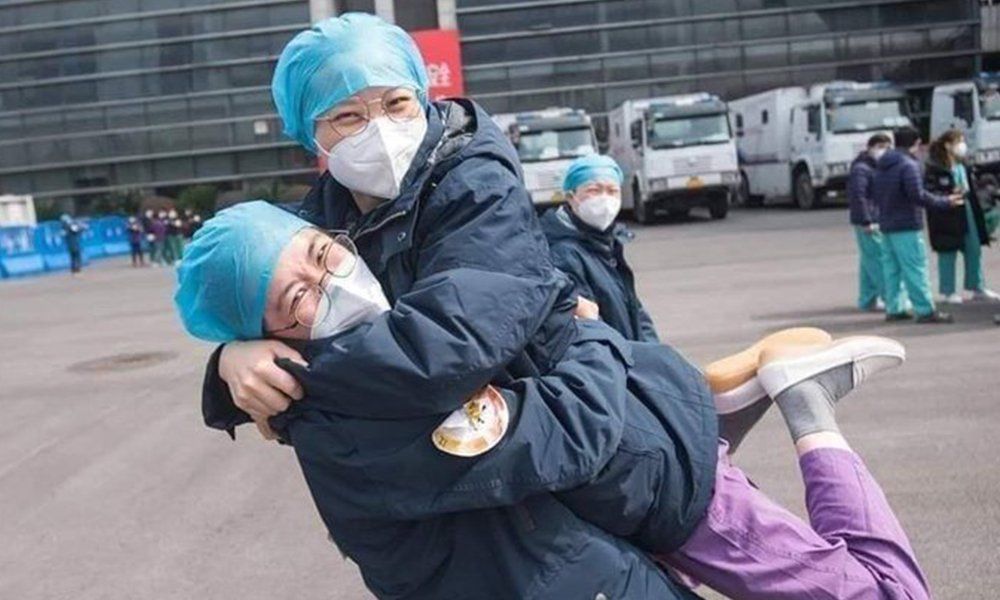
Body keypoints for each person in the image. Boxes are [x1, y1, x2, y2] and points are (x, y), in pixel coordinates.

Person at [177, 200, 931, 600]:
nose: (335, 281)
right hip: (629, 502)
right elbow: (566, 432)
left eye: (323, 253)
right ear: (271, 335)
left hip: (638, 498)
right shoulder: (357, 412)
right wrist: (592, 333)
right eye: (298, 299)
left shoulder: (392, 315)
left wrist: (228, 370)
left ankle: (779, 406)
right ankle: (796, 402)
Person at [194, 14, 706, 599]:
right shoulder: (325, 226)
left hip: (636, 463)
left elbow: (443, 350)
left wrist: (292, 378)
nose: (380, 131)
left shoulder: (473, 186)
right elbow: (254, 281)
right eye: (348, 116)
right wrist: (231, 363)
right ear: (311, 135)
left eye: (396, 103)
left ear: (423, 95)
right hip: (549, 512)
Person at [540, 154, 660, 342]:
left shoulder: (608, 244)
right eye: (594, 190)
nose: (605, 199)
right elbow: (590, 326)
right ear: (571, 197)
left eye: (613, 191)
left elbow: (635, 312)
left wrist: (653, 352)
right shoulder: (564, 253)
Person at [873, 126, 963, 324]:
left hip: (887, 223)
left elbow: (875, 192)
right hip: (906, 224)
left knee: (892, 269)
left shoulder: (882, 164)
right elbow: (918, 195)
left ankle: (894, 308)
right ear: (916, 143)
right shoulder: (908, 165)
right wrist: (945, 201)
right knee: (915, 268)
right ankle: (925, 310)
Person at [924, 129, 999, 304]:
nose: (962, 145)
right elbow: (930, 191)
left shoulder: (962, 164)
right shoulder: (935, 167)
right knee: (948, 250)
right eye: (958, 142)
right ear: (947, 145)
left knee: (973, 248)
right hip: (947, 212)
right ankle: (948, 291)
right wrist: (948, 194)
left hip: (966, 208)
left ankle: (977, 287)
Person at [848, 133, 892, 311]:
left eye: (887, 148)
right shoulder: (862, 169)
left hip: (874, 217)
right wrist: (866, 220)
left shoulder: (875, 167)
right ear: (870, 148)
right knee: (877, 259)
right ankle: (890, 297)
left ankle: (867, 299)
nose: (884, 151)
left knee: (868, 260)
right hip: (868, 220)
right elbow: (859, 196)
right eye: (880, 147)